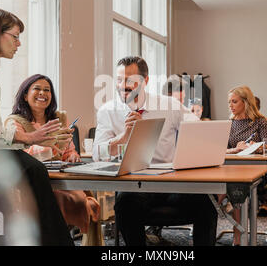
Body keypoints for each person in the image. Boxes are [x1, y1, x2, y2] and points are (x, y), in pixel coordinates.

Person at [93, 56, 217, 246]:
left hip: (171, 181)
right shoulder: (107, 111)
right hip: (135, 184)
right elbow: (98, 154)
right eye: (118, 80)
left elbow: (198, 130)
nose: (122, 85)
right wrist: (124, 136)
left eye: (129, 80)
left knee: (207, 207)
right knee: (125, 205)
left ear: (146, 81)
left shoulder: (169, 105)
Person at [0, 8, 73, 245]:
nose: (19, 43)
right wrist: (28, 138)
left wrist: (32, 139)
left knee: (35, 171)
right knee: (34, 171)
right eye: (15, 36)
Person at [4, 74, 101, 243]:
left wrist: (72, 156)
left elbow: (69, 151)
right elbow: (22, 157)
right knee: (58, 201)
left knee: (82, 199)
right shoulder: (14, 123)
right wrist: (52, 146)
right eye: (37, 89)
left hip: (61, 182)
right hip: (34, 185)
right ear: (25, 95)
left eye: (47, 90)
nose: (43, 93)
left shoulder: (59, 118)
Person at [218, 86, 267, 245]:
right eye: (229, 102)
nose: (230, 105)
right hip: (231, 168)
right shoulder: (229, 123)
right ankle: (220, 207)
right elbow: (221, 149)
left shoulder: (260, 121)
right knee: (228, 188)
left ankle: (237, 236)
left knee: (235, 190)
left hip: (254, 169)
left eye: (234, 101)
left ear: (246, 102)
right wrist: (236, 149)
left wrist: (255, 146)